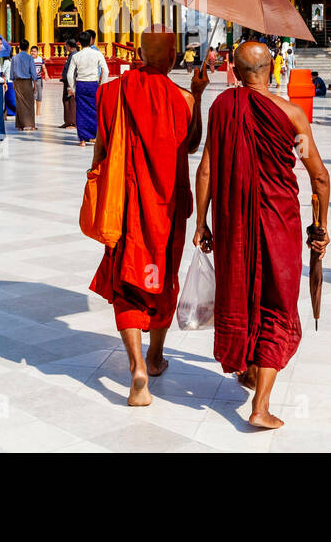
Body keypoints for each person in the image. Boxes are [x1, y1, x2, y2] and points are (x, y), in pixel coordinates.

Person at [194, 41, 331, 429]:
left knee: (241, 290)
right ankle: (261, 404)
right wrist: (321, 226)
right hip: (279, 222)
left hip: (231, 221)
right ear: (273, 68)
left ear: (234, 73)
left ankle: (249, 367)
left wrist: (201, 222)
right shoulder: (292, 115)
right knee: (277, 300)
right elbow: (318, 175)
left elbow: (205, 168)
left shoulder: (222, 106)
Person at [88, 29, 208, 406]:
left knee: (127, 282)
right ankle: (156, 357)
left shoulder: (111, 93)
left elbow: (102, 149)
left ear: (140, 52)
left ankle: (137, 367)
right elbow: (190, 145)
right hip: (167, 211)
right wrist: (199, 95)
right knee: (161, 277)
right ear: (173, 58)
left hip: (124, 207)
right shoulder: (184, 98)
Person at [65, 30, 109, 146]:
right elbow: (106, 70)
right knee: (94, 110)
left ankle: (83, 139)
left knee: (81, 111)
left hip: (81, 84)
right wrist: (102, 84)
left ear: (79, 43)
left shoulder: (76, 56)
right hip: (93, 84)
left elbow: (70, 74)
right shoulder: (97, 54)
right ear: (90, 40)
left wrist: (72, 88)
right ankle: (93, 136)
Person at [9, 39, 37, 132]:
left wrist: (13, 82)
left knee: (19, 103)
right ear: (28, 48)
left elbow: (12, 72)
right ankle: (31, 124)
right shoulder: (30, 58)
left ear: (19, 47)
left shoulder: (14, 58)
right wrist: (35, 85)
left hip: (17, 82)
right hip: (27, 82)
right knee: (30, 103)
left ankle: (20, 125)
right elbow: (33, 72)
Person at [59, 38, 79, 128]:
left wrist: (71, 86)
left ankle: (72, 122)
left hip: (71, 82)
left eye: (66, 46)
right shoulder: (71, 55)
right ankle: (67, 121)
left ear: (69, 46)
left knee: (71, 102)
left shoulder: (75, 56)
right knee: (66, 100)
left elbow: (74, 72)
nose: (65, 47)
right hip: (67, 81)